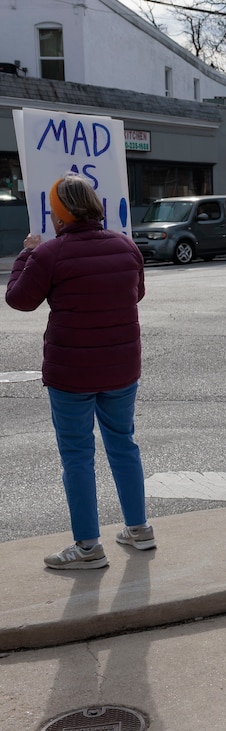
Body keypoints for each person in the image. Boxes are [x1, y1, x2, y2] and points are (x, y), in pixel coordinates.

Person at [5, 174, 153, 569]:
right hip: (122, 368)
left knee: (77, 456)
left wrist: (26, 255)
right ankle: (139, 530)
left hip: (72, 373)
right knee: (124, 445)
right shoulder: (126, 246)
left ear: (59, 215)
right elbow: (135, 293)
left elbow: (18, 300)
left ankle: (88, 547)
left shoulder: (49, 254)